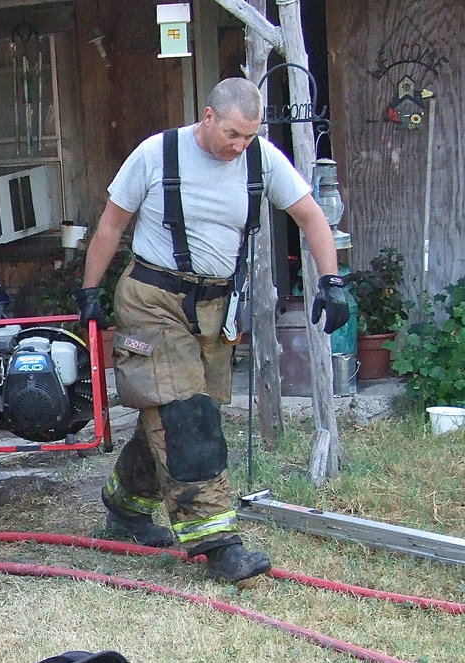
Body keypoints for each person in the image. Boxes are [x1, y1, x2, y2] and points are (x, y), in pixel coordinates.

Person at [77, 77, 347, 584]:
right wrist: (89, 292)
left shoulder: (262, 160)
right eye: (232, 134)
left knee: (171, 410)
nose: (240, 146)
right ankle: (219, 543)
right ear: (206, 116)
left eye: (249, 135)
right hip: (150, 299)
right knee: (187, 417)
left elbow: (311, 217)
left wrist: (331, 282)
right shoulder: (156, 154)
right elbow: (111, 224)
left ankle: (125, 505)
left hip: (214, 309)